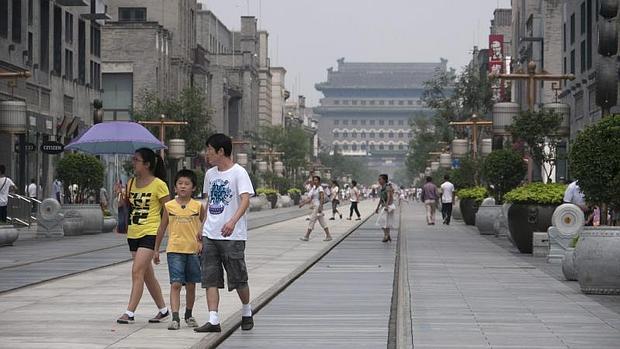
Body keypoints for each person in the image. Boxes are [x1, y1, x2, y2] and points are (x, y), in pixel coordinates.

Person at [195, 133, 255, 333]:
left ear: (221, 151)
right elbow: (209, 202)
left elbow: (245, 200)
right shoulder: (210, 174)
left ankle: (247, 311)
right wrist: (201, 226)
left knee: (238, 278)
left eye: (209, 150)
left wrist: (232, 221)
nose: (207, 154)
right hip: (211, 233)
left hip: (232, 235)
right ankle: (213, 320)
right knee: (210, 277)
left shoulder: (239, 172)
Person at [116, 148, 170, 325]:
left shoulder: (159, 184)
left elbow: (168, 211)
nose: (133, 163)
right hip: (133, 232)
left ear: (146, 164)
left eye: (136, 160)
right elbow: (127, 206)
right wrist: (121, 194)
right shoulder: (131, 183)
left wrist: (159, 237)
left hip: (150, 232)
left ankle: (129, 313)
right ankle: (163, 309)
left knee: (137, 271)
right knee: (147, 275)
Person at [154, 169, 204, 330]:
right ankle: (175, 318)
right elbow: (162, 228)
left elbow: (205, 226)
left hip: (193, 251)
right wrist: (156, 250)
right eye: (180, 184)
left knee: (191, 284)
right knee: (175, 283)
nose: (183, 187)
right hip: (174, 250)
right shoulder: (169, 206)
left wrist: (203, 243)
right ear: (175, 188)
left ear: (193, 188)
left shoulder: (198, 206)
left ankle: (188, 314)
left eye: (187, 184)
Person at [299, 175, 333, 242]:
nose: (315, 181)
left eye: (316, 180)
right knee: (322, 221)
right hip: (314, 206)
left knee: (312, 220)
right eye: (314, 180)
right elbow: (310, 198)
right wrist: (303, 203)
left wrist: (321, 207)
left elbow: (322, 198)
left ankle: (307, 236)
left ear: (319, 181)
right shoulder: (314, 188)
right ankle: (328, 235)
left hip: (317, 206)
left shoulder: (320, 188)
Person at [375, 174, 395, 242]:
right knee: (386, 222)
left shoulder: (387, 187)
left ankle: (386, 236)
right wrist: (377, 207)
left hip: (388, 207)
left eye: (380, 179)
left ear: (384, 180)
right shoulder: (382, 188)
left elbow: (389, 196)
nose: (379, 181)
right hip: (385, 206)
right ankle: (387, 235)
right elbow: (381, 199)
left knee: (382, 221)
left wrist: (386, 206)